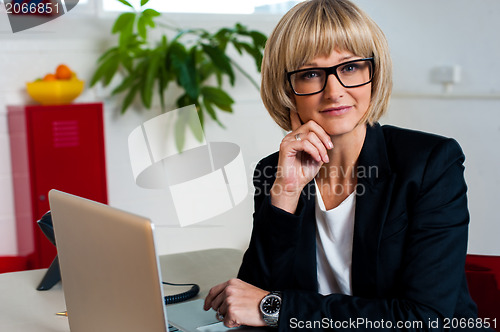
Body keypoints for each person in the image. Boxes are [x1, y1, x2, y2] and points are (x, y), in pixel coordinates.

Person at [204, 0, 482, 330]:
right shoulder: (276, 170)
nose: (334, 91)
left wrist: (280, 309)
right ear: (287, 89)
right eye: (310, 74)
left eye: (350, 67)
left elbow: (425, 319)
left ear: (373, 73)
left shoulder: (430, 163)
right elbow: (254, 301)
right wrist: (286, 194)